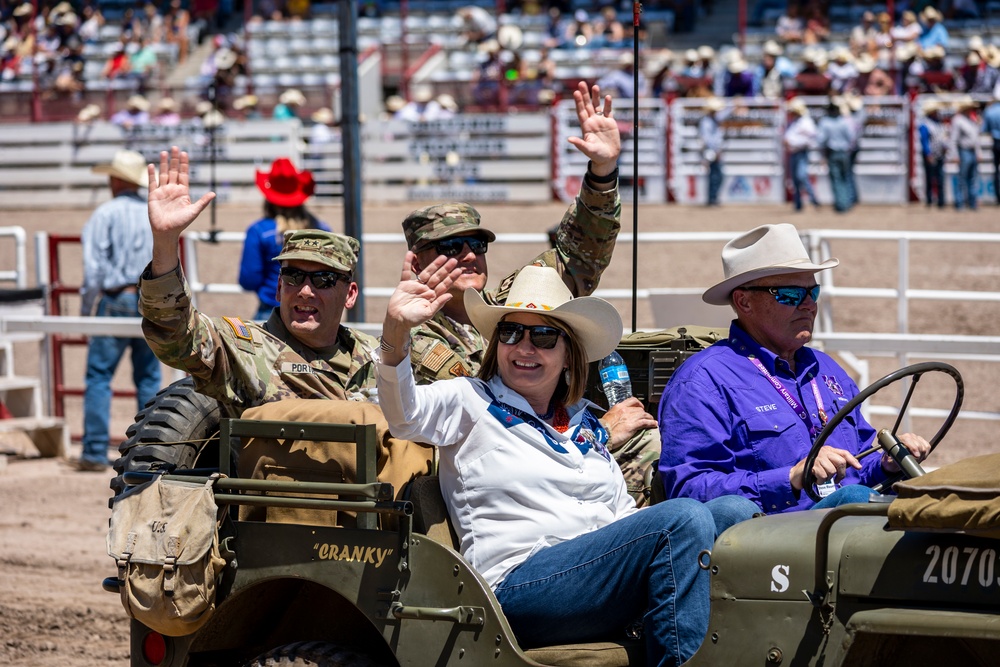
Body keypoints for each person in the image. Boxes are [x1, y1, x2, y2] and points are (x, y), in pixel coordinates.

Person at [377, 260, 755, 665]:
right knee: (683, 519)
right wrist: (396, 333)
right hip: (519, 585)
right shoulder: (470, 400)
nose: (524, 347)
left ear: (569, 356)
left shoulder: (583, 420)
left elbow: (620, 513)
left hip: (594, 576)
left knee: (736, 511)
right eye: (510, 332)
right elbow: (405, 415)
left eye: (542, 336)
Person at [658, 223, 932, 514]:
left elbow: (860, 466)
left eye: (812, 293)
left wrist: (888, 463)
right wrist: (790, 478)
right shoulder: (703, 381)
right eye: (789, 295)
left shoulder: (826, 369)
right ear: (744, 301)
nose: (808, 306)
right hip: (769, 541)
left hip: (844, 524)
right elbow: (689, 490)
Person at [140, 147, 377, 417]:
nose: (306, 290)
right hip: (272, 328)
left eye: (324, 279)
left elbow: (248, 278)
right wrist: (166, 242)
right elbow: (178, 335)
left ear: (350, 293)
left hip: (270, 308)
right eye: (293, 276)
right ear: (280, 285)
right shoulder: (246, 351)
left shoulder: (373, 354)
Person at [75, 150, 161, 471]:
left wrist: (87, 311)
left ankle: (95, 450)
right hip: (148, 299)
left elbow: (93, 269)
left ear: (115, 179)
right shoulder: (151, 213)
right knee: (148, 377)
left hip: (114, 300)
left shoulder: (104, 214)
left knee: (99, 376)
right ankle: (149, 450)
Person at [239, 158, 329, 320]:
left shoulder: (259, 231)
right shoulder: (322, 229)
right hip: (316, 313)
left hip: (272, 310)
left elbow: (249, 280)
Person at [817, 98, 855, 213]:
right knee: (845, 177)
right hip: (844, 152)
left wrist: (822, 155)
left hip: (833, 153)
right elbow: (851, 137)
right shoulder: (844, 121)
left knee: (836, 179)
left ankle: (841, 204)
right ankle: (847, 202)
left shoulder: (825, 122)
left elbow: (821, 139)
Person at [783, 98, 820, 211]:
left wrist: (793, 142)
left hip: (801, 152)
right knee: (795, 179)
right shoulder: (794, 121)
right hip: (793, 152)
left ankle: (813, 200)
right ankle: (798, 204)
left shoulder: (806, 122)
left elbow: (810, 138)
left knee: (801, 176)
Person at [950, 97, 981, 211]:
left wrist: (978, 152)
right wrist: (955, 155)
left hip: (971, 152)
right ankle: (960, 203)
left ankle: (972, 203)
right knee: (962, 178)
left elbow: (976, 138)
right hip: (964, 151)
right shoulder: (958, 120)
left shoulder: (971, 120)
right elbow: (953, 140)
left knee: (972, 178)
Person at [919, 99, 947, 208]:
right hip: (930, 154)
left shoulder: (939, 123)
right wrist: (928, 154)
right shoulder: (925, 124)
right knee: (930, 178)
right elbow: (924, 140)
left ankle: (941, 201)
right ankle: (929, 200)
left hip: (939, 153)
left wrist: (944, 148)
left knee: (940, 178)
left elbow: (943, 137)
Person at [700, 97, 726, 206]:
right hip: (711, 151)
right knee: (715, 175)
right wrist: (715, 151)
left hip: (714, 150)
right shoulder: (706, 122)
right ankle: (712, 198)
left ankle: (713, 197)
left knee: (716, 175)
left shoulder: (714, 120)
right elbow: (707, 139)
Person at [984, 88, 1000, 206]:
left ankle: (998, 197)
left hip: (996, 142)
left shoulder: (989, 111)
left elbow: (985, 129)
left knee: (996, 171)